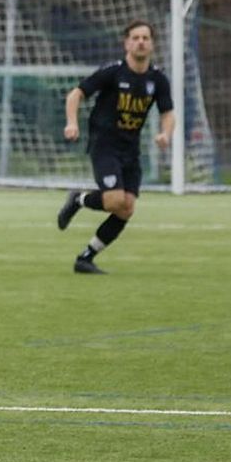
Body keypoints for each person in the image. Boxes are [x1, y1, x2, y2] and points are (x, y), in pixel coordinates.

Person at [57, 19, 174, 274]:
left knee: (126, 208)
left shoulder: (158, 79)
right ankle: (78, 199)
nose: (141, 42)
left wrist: (166, 134)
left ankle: (85, 258)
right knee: (114, 200)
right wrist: (72, 123)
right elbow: (76, 94)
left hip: (130, 150)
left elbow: (168, 112)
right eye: (135, 38)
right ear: (126, 43)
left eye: (145, 38)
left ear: (152, 44)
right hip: (105, 144)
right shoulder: (113, 72)